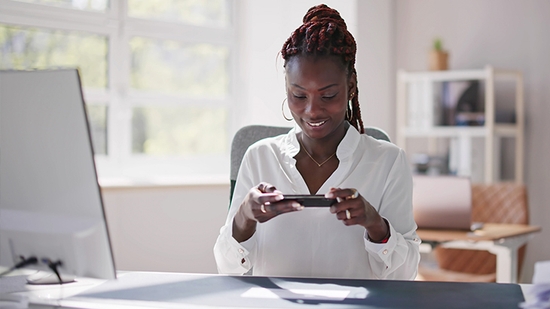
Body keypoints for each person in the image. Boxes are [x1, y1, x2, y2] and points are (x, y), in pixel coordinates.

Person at [214, 4, 420, 280]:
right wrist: (243, 218)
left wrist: (375, 224)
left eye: (328, 95)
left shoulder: (388, 161)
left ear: (351, 86)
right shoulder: (259, 157)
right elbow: (227, 269)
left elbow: (405, 275)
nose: (312, 111)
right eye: (299, 96)